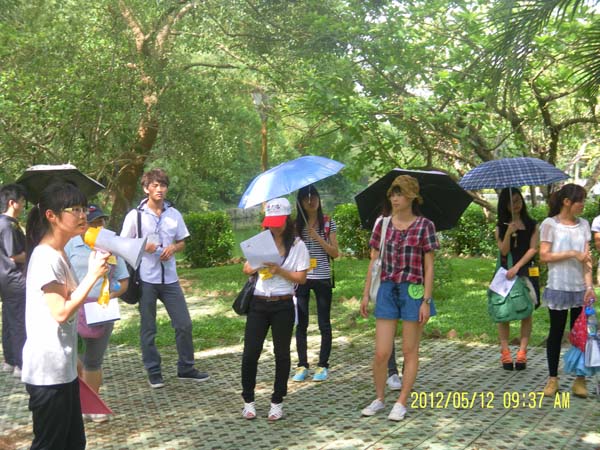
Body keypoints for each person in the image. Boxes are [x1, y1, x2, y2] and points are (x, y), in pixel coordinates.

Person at [21, 182, 109, 450]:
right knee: (50, 445)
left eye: (84, 208)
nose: (83, 215)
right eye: (75, 210)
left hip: (63, 369)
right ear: (51, 215)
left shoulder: (60, 253)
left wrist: (75, 364)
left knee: (74, 443)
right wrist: (93, 275)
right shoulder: (45, 257)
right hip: (47, 373)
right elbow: (60, 312)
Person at [359, 175, 439, 421]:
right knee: (381, 352)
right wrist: (365, 294)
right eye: (393, 194)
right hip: (386, 289)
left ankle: (401, 401)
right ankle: (379, 398)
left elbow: (429, 266)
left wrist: (426, 301)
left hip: (413, 291)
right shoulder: (382, 224)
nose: (395, 199)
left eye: (400, 194)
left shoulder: (425, 226)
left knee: (409, 350)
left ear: (412, 197)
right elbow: (374, 262)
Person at [121, 168, 208, 388]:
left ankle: (186, 368)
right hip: (146, 279)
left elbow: (182, 241)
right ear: (146, 188)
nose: (160, 189)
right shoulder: (135, 216)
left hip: (170, 278)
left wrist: (173, 248)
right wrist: (144, 246)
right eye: (155, 185)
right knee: (148, 328)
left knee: (184, 324)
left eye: (163, 185)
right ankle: (153, 371)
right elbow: (123, 245)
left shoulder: (174, 214)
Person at [241, 197, 310, 421]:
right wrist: (257, 264)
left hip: (283, 303)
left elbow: (301, 278)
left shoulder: (298, 245)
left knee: (282, 354)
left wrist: (279, 271)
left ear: (288, 220)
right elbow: (246, 269)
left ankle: (277, 401)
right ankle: (248, 400)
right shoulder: (260, 241)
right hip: (259, 302)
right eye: (270, 223)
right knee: (251, 352)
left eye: (278, 223)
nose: (274, 227)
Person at [65, 204, 129, 423]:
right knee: (75, 358)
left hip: (101, 310)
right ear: (83, 224)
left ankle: (92, 406)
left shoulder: (111, 249)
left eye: (101, 222)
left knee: (93, 360)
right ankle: (78, 402)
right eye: (94, 222)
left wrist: (109, 293)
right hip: (75, 308)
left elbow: (123, 281)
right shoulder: (70, 245)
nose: (99, 226)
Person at [539, 183, 594, 398]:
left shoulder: (584, 225)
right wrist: (572, 253)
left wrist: (589, 287)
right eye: (580, 201)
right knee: (556, 332)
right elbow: (544, 256)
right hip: (558, 287)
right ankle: (553, 379)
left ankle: (580, 380)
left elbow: (586, 260)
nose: (583, 205)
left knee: (580, 335)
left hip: (580, 289)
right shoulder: (550, 224)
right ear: (567, 202)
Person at [292, 185, 339, 382]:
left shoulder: (328, 223)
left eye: (314, 197)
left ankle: (323, 365)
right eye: (306, 198)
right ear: (300, 202)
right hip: (302, 277)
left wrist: (317, 237)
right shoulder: (296, 225)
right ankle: (302, 365)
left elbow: (335, 253)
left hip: (322, 277)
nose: (311, 201)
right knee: (301, 323)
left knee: (324, 323)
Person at [495, 188, 539, 371]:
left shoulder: (532, 224)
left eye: (518, 200)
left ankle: (522, 352)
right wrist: (508, 232)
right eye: (512, 202)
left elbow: (533, 249)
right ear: (505, 205)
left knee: (526, 311)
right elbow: (504, 251)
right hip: (505, 274)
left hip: (526, 271)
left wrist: (518, 267)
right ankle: (505, 352)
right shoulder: (500, 226)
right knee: (503, 312)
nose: (517, 204)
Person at [0, 184, 27, 378]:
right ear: (12, 202)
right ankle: (21, 363)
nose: (23, 205)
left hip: (4, 278)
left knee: (9, 319)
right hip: (15, 278)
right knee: (19, 321)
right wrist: (31, 252)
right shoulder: (9, 225)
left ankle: (9, 360)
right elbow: (14, 255)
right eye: (22, 201)